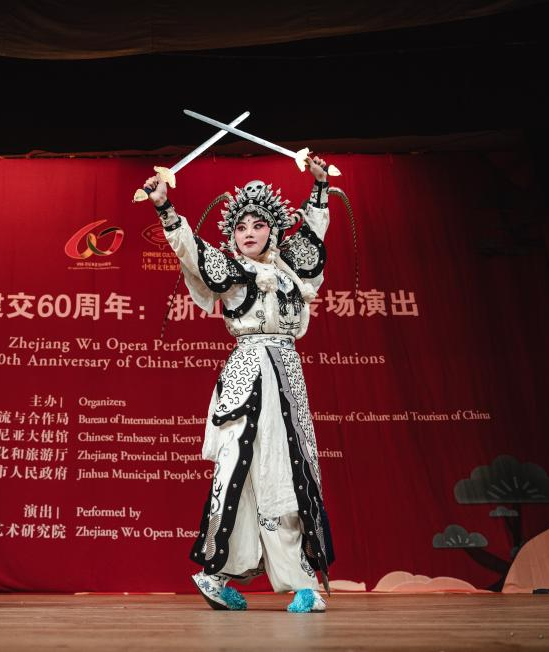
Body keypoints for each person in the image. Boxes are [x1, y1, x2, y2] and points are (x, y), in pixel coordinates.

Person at [142, 157, 336, 612]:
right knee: (238, 472)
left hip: (285, 376)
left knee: (283, 470)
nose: (249, 232)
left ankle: (291, 580)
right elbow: (191, 250)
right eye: (241, 226)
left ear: (273, 231)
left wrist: (320, 185)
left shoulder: (290, 270)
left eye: (259, 225)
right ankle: (226, 575)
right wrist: (165, 207)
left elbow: (314, 233)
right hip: (248, 375)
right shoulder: (233, 273)